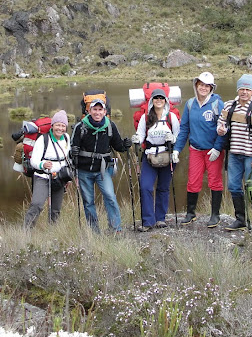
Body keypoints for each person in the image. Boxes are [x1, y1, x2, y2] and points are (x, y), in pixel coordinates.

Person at [217, 73, 252, 231]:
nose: (244, 92)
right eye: (242, 88)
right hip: (234, 153)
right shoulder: (229, 106)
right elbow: (222, 124)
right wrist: (221, 130)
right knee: (233, 185)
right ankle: (240, 219)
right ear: (238, 90)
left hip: (251, 155)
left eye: (247, 89)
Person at [172, 72, 226, 228]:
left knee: (215, 182)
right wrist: (177, 149)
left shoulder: (217, 104)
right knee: (193, 181)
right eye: (201, 84)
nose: (203, 88)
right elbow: (184, 129)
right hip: (195, 149)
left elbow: (224, 128)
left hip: (212, 151)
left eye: (207, 86)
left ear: (211, 88)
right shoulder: (190, 104)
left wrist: (217, 148)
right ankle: (191, 213)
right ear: (196, 85)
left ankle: (215, 215)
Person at [71, 97, 132, 233]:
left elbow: (118, 146)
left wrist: (125, 145)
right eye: (94, 109)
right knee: (88, 202)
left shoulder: (110, 126)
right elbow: (72, 150)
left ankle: (116, 228)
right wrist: (73, 152)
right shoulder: (80, 127)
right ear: (89, 111)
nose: (97, 113)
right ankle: (94, 231)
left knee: (110, 196)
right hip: (84, 171)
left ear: (105, 111)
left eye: (100, 110)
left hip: (103, 170)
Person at [132, 88, 180, 231]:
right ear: (152, 101)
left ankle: (160, 219)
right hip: (149, 156)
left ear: (165, 101)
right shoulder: (145, 118)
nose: (159, 101)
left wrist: (173, 139)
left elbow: (179, 135)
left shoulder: (171, 117)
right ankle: (148, 221)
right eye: (156, 98)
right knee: (145, 186)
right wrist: (137, 139)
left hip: (168, 156)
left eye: (161, 98)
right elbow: (140, 135)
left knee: (163, 188)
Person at [24, 110, 71, 228]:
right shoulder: (43, 140)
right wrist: (43, 165)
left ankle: (52, 235)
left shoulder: (66, 138)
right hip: (42, 177)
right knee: (37, 205)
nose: (60, 128)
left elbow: (67, 158)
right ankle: (26, 232)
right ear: (52, 125)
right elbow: (34, 161)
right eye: (58, 125)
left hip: (59, 178)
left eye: (63, 125)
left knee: (56, 210)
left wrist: (68, 178)